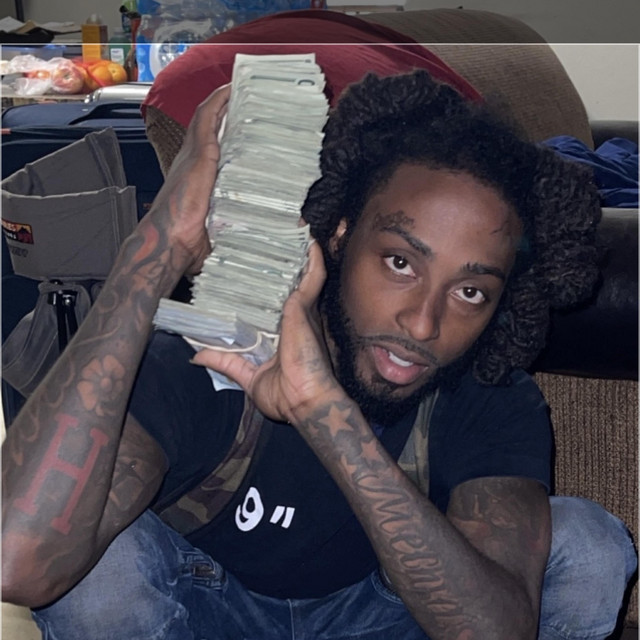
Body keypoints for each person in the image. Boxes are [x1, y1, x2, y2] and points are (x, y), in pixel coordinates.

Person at [2, 68, 636, 640]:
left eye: (470, 291)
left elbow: (497, 631)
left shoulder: (489, 397)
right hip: (204, 614)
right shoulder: (204, 363)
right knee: (94, 558)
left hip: (387, 617)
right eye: (400, 262)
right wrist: (155, 251)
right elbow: (16, 564)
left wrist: (325, 415)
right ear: (338, 235)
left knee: (587, 546)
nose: (423, 323)